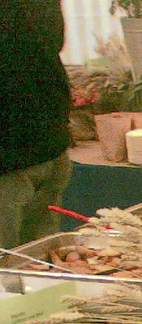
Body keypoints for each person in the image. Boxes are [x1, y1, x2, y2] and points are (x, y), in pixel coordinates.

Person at [0, 0, 73, 249]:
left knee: (12, 265)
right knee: (38, 260)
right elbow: (52, 41)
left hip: (12, 156)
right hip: (48, 141)